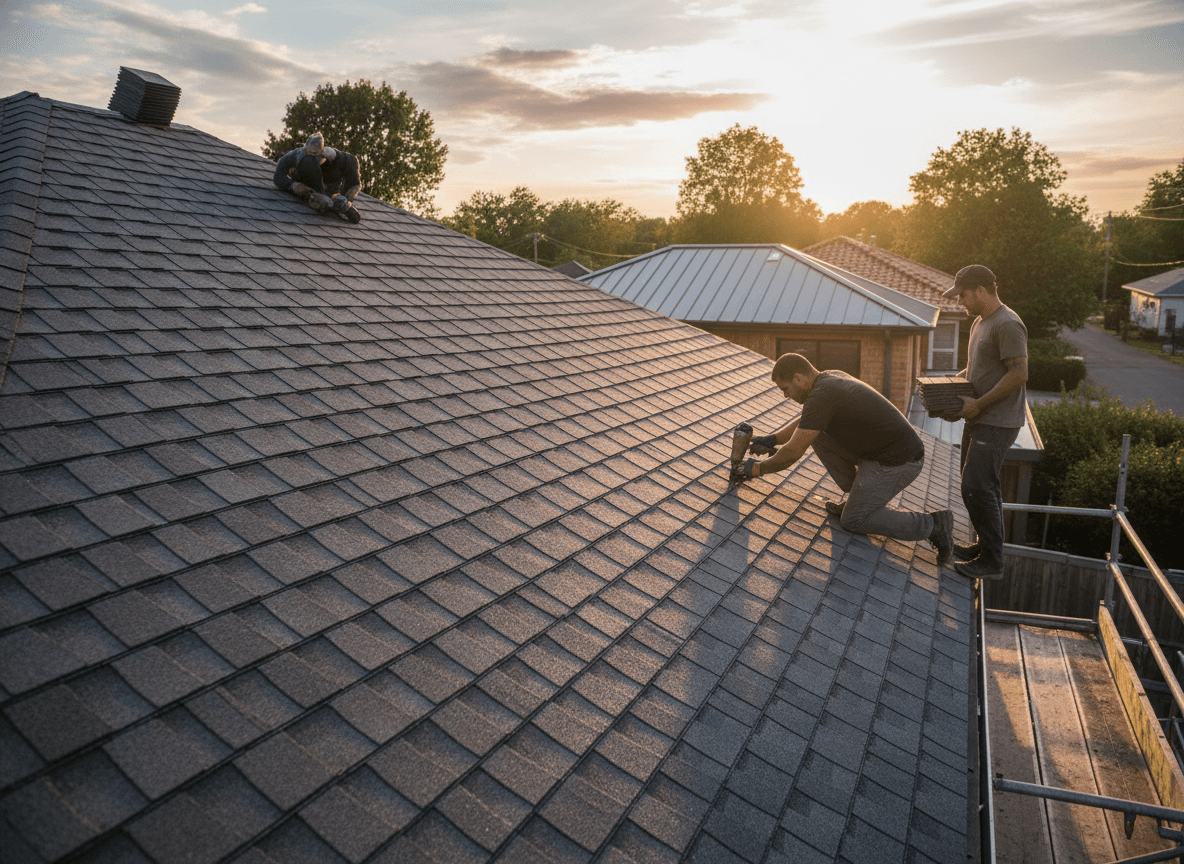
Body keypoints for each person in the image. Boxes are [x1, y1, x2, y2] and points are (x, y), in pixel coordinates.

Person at [732, 353, 954, 565]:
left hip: (899, 461)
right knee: (812, 433)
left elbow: (793, 453)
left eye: (786, 389)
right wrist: (773, 439)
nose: (785, 396)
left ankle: (933, 525)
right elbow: (806, 421)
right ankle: (858, 495)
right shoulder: (828, 378)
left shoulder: (823, 394)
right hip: (878, 452)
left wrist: (756, 469)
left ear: (798, 378)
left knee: (853, 520)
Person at [944, 264, 1028, 580]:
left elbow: (1019, 373)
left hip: (998, 420)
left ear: (980, 290)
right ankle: (983, 546)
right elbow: (978, 369)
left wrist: (978, 404)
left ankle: (993, 561)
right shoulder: (981, 322)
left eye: (963, 295)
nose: (960, 301)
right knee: (979, 487)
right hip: (980, 416)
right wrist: (949, 385)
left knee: (976, 485)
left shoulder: (1007, 324)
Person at [273, 132, 363, 224]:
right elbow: (278, 177)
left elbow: (352, 163)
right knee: (323, 202)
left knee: (340, 202)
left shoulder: (333, 155)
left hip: (330, 188)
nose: (312, 158)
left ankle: (344, 205)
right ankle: (331, 202)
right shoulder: (297, 155)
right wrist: (293, 185)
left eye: (315, 155)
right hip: (308, 187)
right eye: (309, 155)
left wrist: (348, 195)